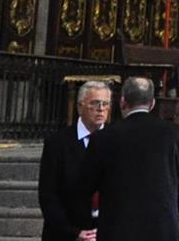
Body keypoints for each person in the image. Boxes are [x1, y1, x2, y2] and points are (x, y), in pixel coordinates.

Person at [86, 76, 179, 241]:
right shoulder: (175, 134)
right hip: (161, 232)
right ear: (152, 104)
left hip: (117, 231)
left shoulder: (102, 138)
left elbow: (85, 186)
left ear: (122, 102)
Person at [40, 80, 109, 241]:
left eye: (105, 103)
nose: (101, 108)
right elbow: (48, 195)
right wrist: (74, 233)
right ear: (80, 106)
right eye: (95, 103)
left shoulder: (118, 141)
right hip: (66, 233)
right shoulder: (57, 143)